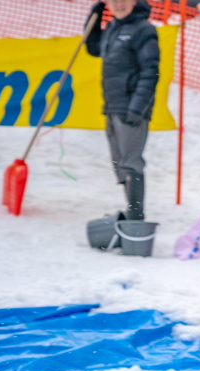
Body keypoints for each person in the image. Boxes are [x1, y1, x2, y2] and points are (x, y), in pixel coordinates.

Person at [85, 0, 160, 222]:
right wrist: (95, 17)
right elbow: (93, 48)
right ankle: (131, 210)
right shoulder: (112, 27)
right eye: (113, 1)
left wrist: (138, 107)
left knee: (131, 162)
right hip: (113, 105)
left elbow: (150, 71)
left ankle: (136, 216)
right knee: (119, 163)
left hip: (131, 108)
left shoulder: (143, 30)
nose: (119, 5)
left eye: (124, 0)